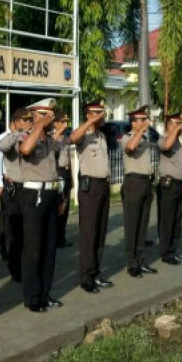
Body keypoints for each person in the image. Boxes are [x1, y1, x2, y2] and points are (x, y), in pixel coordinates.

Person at [1, 98, 64, 312]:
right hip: (33, 196)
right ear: (36, 116)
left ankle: (45, 294)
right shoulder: (26, 136)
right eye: (46, 115)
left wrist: (61, 196)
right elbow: (26, 150)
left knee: (49, 249)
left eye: (51, 115)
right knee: (34, 249)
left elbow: (57, 167)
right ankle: (32, 297)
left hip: (50, 194)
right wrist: (37, 126)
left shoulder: (49, 140)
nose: (50, 119)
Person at [70, 99, 113, 293]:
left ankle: (95, 272)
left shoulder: (102, 135)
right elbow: (72, 138)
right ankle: (86, 277)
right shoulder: (84, 134)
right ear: (88, 114)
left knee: (100, 232)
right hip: (90, 188)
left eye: (101, 113)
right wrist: (89, 122)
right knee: (89, 233)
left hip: (103, 186)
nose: (101, 116)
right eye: (96, 113)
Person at [121, 105, 157, 277]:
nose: (145, 122)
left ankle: (141, 260)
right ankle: (131, 263)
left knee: (143, 225)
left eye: (145, 119)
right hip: (133, 182)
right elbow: (130, 148)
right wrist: (141, 130)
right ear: (133, 123)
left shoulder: (145, 139)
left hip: (145, 182)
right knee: (132, 225)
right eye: (141, 120)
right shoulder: (127, 138)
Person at [0, 110, 26, 283]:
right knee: (10, 227)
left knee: (23, 229)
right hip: (11, 187)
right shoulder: (5, 138)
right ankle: (12, 263)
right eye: (24, 119)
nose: (27, 123)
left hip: (26, 188)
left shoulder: (27, 136)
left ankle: (20, 262)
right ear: (15, 122)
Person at [156, 112, 182, 265]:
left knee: (177, 221)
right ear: (169, 126)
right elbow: (166, 146)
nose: (180, 126)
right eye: (176, 123)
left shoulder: (179, 142)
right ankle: (166, 253)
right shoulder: (163, 140)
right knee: (167, 221)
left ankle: (173, 251)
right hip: (168, 186)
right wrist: (175, 129)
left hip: (181, 185)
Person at [53, 112, 73, 248]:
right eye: (62, 122)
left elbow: (69, 158)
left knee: (65, 207)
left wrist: (71, 177)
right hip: (57, 172)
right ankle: (54, 237)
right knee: (58, 206)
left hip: (65, 172)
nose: (65, 125)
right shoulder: (52, 138)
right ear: (56, 123)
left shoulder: (66, 138)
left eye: (66, 122)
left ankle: (62, 236)